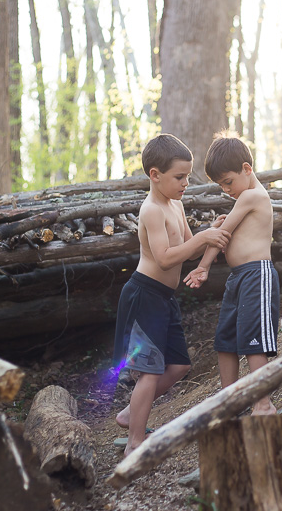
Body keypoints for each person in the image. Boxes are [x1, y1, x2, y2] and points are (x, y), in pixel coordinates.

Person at [111, 134, 231, 456]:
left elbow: (188, 252)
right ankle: (135, 443)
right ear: (155, 175)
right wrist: (203, 237)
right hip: (144, 295)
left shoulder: (175, 205)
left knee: (178, 365)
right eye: (180, 177)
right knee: (149, 370)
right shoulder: (151, 210)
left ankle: (129, 414)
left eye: (188, 176)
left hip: (164, 298)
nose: (186, 183)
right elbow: (164, 257)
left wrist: (211, 231)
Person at [184, 134, 280, 416]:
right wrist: (204, 265)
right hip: (238, 277)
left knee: (253, 340)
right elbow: (222, 237)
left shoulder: (254, 195)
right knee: (225, 341)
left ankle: (262, 403)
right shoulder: (243, 199)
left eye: (228, 181)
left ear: (247, 169)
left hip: (257, 275)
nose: (226, 189)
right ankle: (229, 401)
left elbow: (221, 235)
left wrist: (203, 266)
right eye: (220, 185)